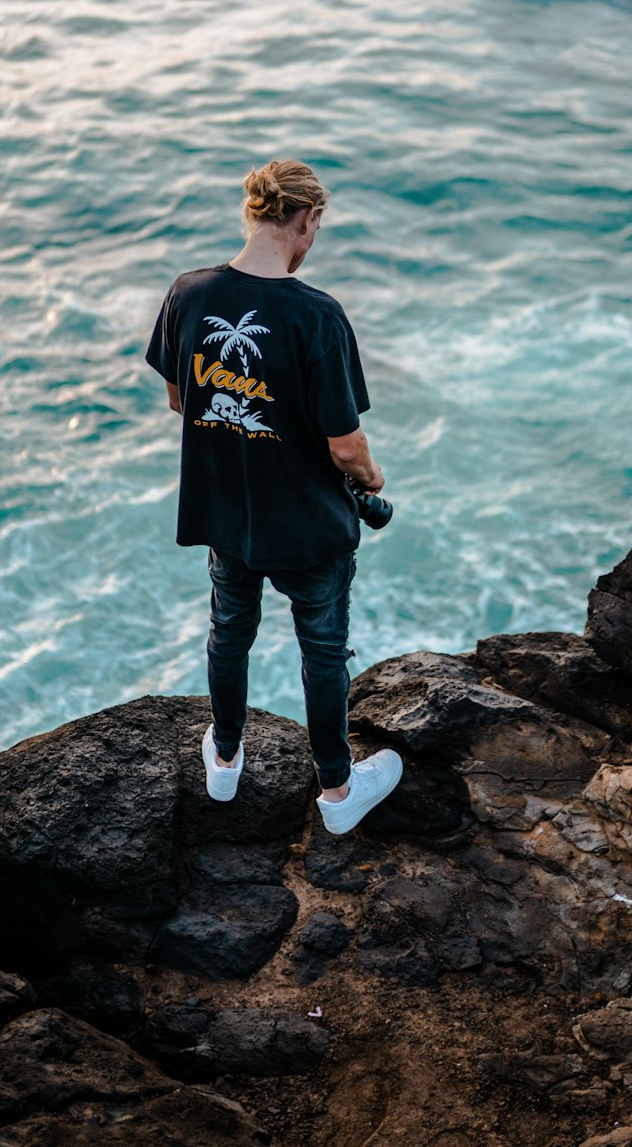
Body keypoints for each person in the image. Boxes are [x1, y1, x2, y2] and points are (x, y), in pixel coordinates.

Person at [146, 158, 402, 835]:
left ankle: (224, 760)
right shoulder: (317, 315)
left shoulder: (187, 294)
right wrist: (371, 481)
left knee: (230, 632)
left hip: (227, 513)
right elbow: (345, 446)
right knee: (321, 651)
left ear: (252, 212)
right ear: (306, 220)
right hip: (309, 526)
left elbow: (181, 399)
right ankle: (340, 793)